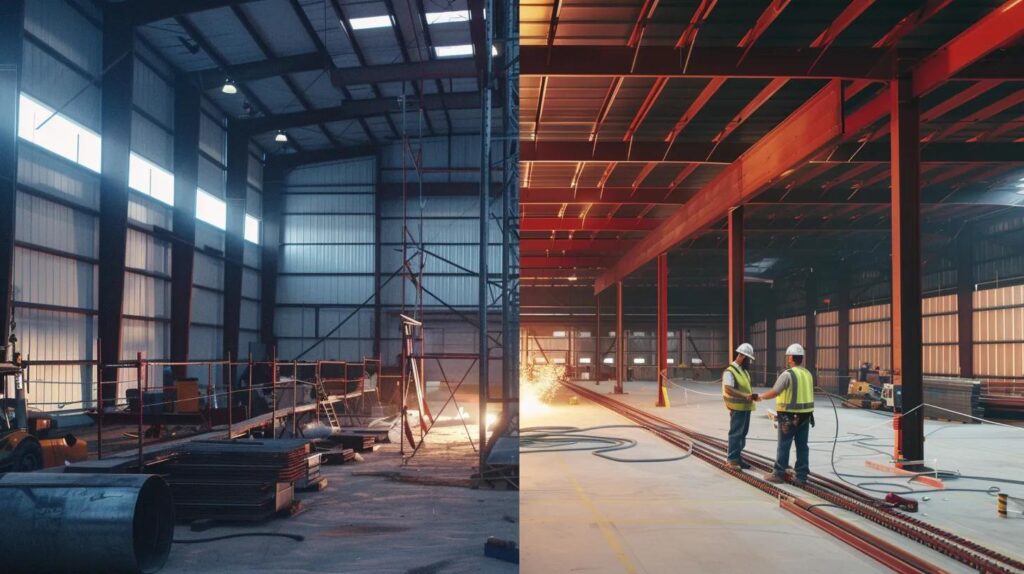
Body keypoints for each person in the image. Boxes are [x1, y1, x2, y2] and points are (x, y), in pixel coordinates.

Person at [756, 343, 815, 486]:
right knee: (802, 446)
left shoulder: (787, 374)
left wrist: (760, 396)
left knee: (784, 445)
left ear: (790, 358)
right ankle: (801, 476)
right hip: (805, 416)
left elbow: (775, 391)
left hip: (788, 417)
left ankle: (779, 473)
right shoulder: (807, 374)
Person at [722, 343, 757, 470]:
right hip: (737, 408)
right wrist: (744, 396)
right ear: (741, 356)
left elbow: (745, 388)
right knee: (736, 433)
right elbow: (728, 388)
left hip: (746, 407)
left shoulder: (744, 371)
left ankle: (737, 457)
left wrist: (751, 396)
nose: (749, 362)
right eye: (748, 359)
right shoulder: (730, 371)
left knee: (742, 434)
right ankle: (732, 460)